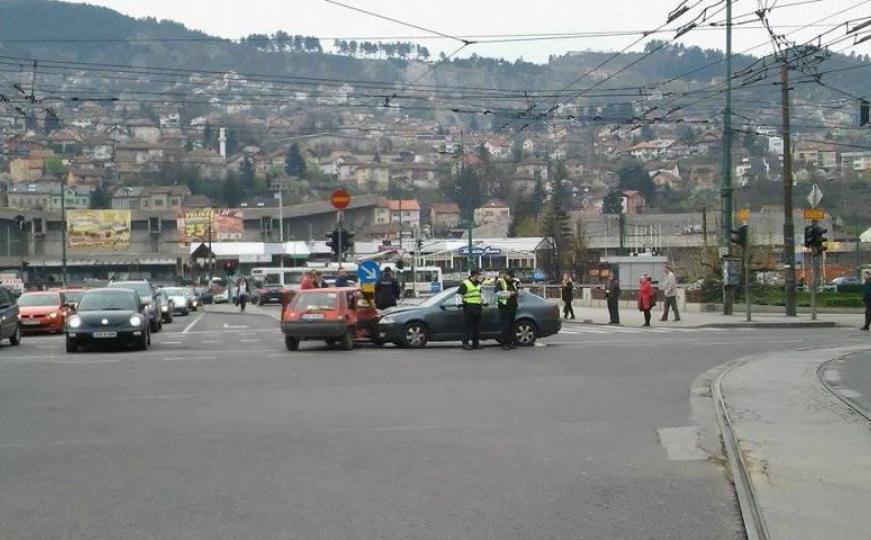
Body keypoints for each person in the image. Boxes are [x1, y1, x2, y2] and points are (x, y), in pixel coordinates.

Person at [458, 269, 484, 350]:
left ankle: (475, 343)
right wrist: (460, 304)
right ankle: (465, 343)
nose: (478, 276)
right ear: (474, 275)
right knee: (467, 327)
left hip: (477, 307)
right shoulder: (465, 283)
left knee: (476, 327)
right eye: (477, 275)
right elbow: (459, 294)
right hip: (468, 307)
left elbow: (480, 294)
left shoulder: (478, 283)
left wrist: (483, 302)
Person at [495, 269, 520, 350]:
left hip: (513, 306)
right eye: (510, 276)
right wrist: (509, 293)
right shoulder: (501, 282)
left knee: (511, 326)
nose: (511, 278)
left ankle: (510, 342)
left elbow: (517, 291)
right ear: (506, 275)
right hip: (504, 307)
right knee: (505, 326)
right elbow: (497, 293)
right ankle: (504, 344)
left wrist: (517, 293)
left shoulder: (514, 282)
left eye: (512, 276)